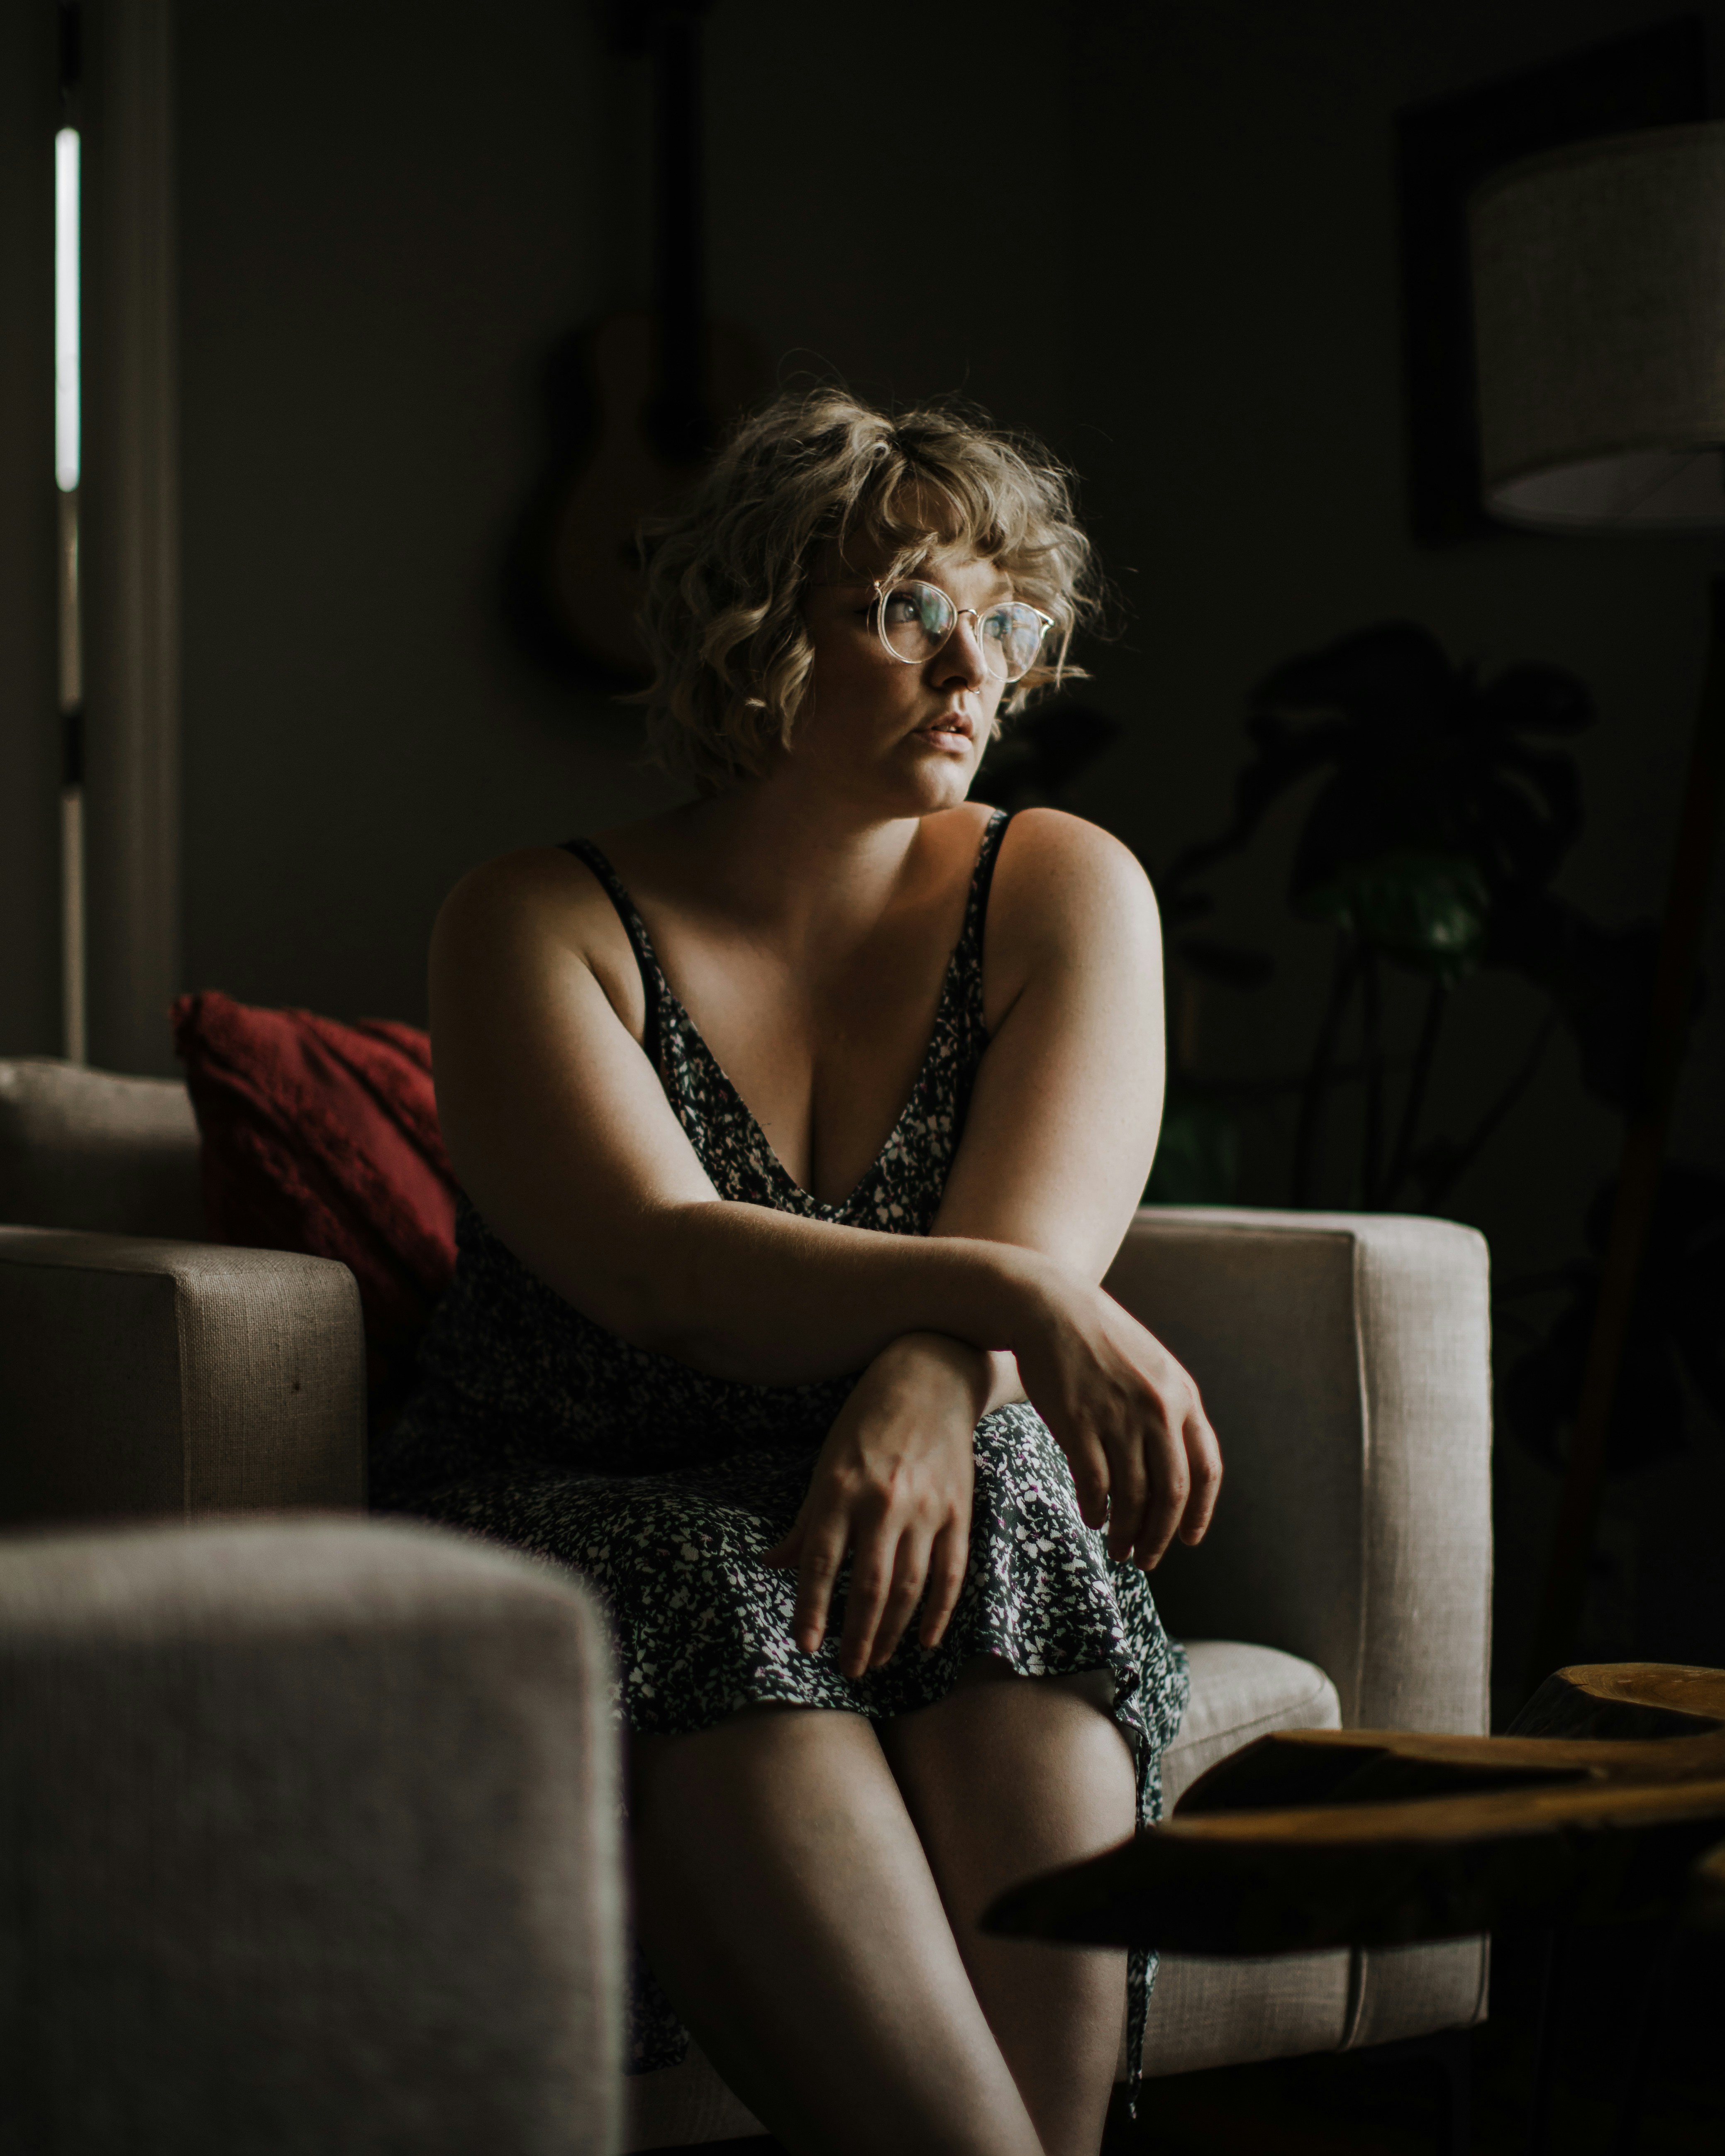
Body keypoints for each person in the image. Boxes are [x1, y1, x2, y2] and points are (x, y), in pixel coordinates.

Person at [373, 389, 1222, 2156]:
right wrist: (1002, 1310)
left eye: (1003, 619)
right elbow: (665, 1269)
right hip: (594, 1485)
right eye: (907, 607)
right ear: (755, 634)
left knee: (1002, 1505)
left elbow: (1031, 1238)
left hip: (926, 1462)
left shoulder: (1063, 887)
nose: (970, 668)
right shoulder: (534, 919)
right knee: (710, 1585)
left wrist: (935, 1374)